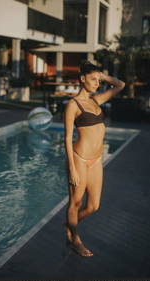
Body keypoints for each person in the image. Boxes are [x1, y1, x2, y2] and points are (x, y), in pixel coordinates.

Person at [63, 60, 125, 257]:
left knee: (93, 206)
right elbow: (66, 138)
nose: (97, 83)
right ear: (82, 79)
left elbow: (120, 85)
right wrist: (72, 168)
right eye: (93, 79)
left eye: (99, 80)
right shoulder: (73, 105)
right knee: (76, 202)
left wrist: (102, 74)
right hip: (79, 158)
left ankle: (70, 225)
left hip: (96, 159)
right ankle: (75, 239)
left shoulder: (96, 100)